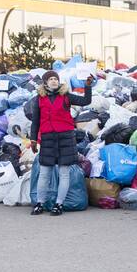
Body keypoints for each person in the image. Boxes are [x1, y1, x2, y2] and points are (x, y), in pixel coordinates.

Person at [28, 70, 93, 216]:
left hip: (65, 137)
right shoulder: (39, 99)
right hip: (47, 137)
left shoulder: (66, 96)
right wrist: (33, 139)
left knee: (64, 173)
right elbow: (35, 122)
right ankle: (40, 203)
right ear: (45, 82)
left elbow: (85, 101)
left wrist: (87, 86)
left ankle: (59, 204)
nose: (53, 81)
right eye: (50, 79)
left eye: (55, 79)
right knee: (44, 173)